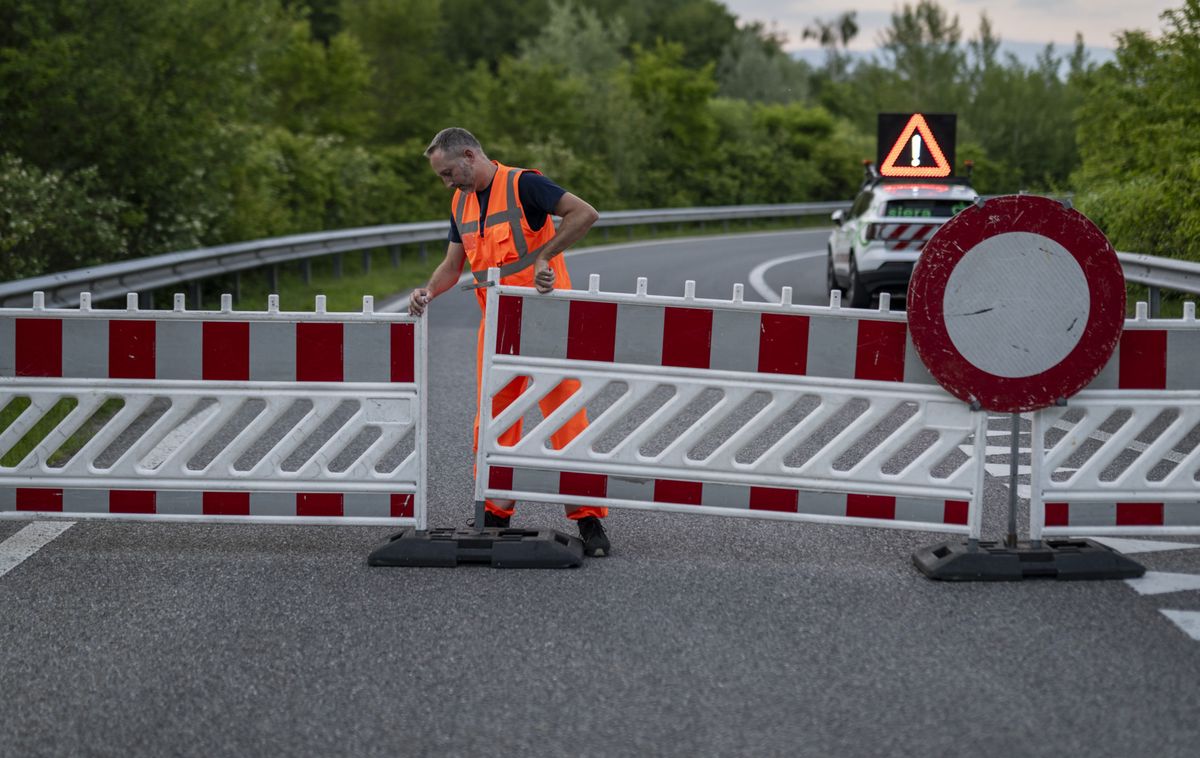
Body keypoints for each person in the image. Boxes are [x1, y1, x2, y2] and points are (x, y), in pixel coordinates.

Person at [410, 127, 611, 557]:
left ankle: (588, 519)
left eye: (449, 172)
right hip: (497, 323)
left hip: (545, 320)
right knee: (494, 418)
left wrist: (545, 256)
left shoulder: (524, 184)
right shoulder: (459, 202)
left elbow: (584, 214)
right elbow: (452, 264)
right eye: (442, 177)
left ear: (469, 155)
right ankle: (497, 513)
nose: (447, 182)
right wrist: (428, 291)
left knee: (564, 416)